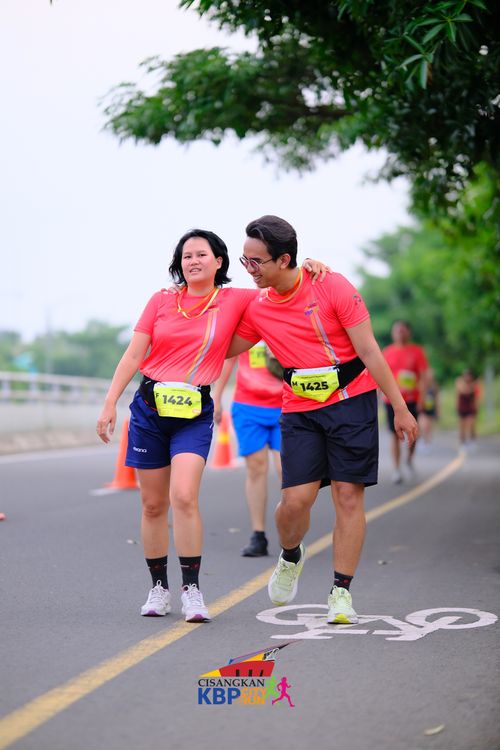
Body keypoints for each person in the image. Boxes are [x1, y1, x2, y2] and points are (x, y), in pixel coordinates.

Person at [96, 228, 328, 623]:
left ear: (219, 261)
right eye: (186, 256)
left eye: (201, 254)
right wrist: (109, 404)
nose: (193, 261)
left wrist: (308, 266)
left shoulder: (236, 299)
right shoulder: (161, 300)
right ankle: (158, 588)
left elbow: (282, 286)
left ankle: (192, 590)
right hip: (150, 409)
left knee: (184, 496)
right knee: (153, 504)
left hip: (194, 413)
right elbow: (134, 355)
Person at [226, 215, 418, 625]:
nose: (249, 269)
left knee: (348, 496)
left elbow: (369, 350)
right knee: (295, 502)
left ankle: (341, 592)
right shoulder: (256, 306)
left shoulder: (332, 286)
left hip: (352, 401)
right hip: (300, 409)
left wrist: (400, 407)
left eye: (256, 261)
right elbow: (222, 347)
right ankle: (290, 555)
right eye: (245, 260)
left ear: (284, 259)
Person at [212, 343, 283, 557]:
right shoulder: (244, 324)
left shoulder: (290, 321)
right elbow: (228, 359)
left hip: (287, 405)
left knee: (287, 471)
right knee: (256, 469)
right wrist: (217, 397)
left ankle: (290, 535)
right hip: (248, 406)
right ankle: (258, 535)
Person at [382, 320, 429, 483]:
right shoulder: (387, 352)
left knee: (413, 433)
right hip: (391, 400)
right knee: (394, 434)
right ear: (393, 333)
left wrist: (422, 398)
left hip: (411, 399)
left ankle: (408, 460)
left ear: (409, 332)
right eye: (397, 330)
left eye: (403, 330)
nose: (400, 333)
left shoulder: (417, 351)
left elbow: (423, 377)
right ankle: (396, 469)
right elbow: (380, 374)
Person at [456, 369, 480, 447]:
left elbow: (477, 396)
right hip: (462, 407)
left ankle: (472, 440)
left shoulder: (473, 384)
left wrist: (477, 406)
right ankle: (463, 442)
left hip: (471, 407)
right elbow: (464, 391)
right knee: (462, 426)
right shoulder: (460, 381)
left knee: (471, 424)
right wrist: (474, 385)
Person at [418, 368, 439, 448]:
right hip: (423, 409)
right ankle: (422, 440)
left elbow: (436, 399)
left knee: (428, 427)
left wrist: (437, 410)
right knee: (423, 425)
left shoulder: (434, 386)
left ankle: (427, 441)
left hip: (431, 409)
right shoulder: (421, 385)